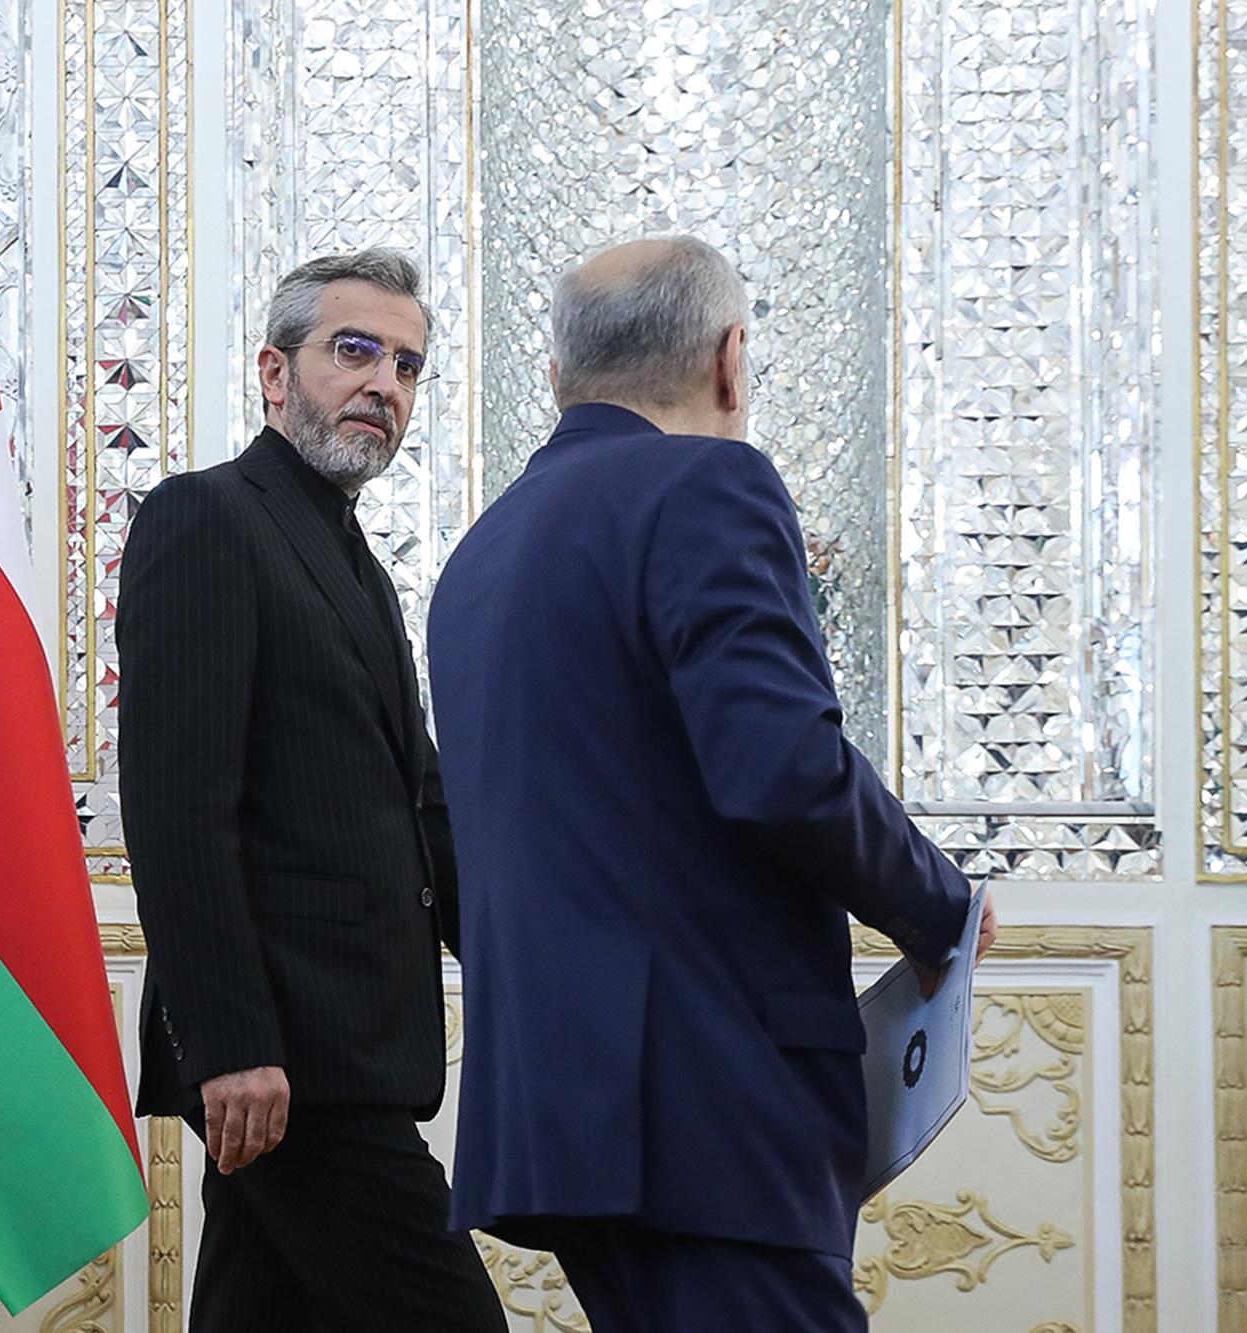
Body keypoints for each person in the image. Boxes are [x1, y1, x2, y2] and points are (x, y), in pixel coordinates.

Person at [425, 236, 997, 1333]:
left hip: (560, 1108)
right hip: (707, 1095)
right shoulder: (707, 483)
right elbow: (782, 768)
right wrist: (940, 910)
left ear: (559, 377)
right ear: (731, 359)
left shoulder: (482, 553)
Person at [116, 248, 505, 1332]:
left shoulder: (354, 561)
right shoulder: (205, 518)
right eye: (355, 351)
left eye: (407, 366)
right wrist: (231, 1042)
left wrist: (532, 963)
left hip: (353, 1049)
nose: (384, 384)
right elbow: (177, 812)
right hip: (289, 1053)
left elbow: (421, 803)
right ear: (275, 372)